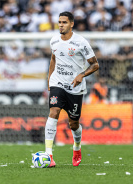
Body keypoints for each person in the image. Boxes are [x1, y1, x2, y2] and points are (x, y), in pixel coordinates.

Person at [45, 11, 99, 167]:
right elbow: (53, 59)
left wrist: (82, 75)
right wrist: (50, 80)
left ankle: (76, 147)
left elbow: (95, 64)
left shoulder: (81, 42)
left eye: (64, 22)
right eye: (60, 22)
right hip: (58, 83)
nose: (61, 25)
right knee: (53, 112)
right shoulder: (54, 40)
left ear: (72, 24)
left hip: (75, 87)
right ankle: (49, 156)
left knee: (73, 124)